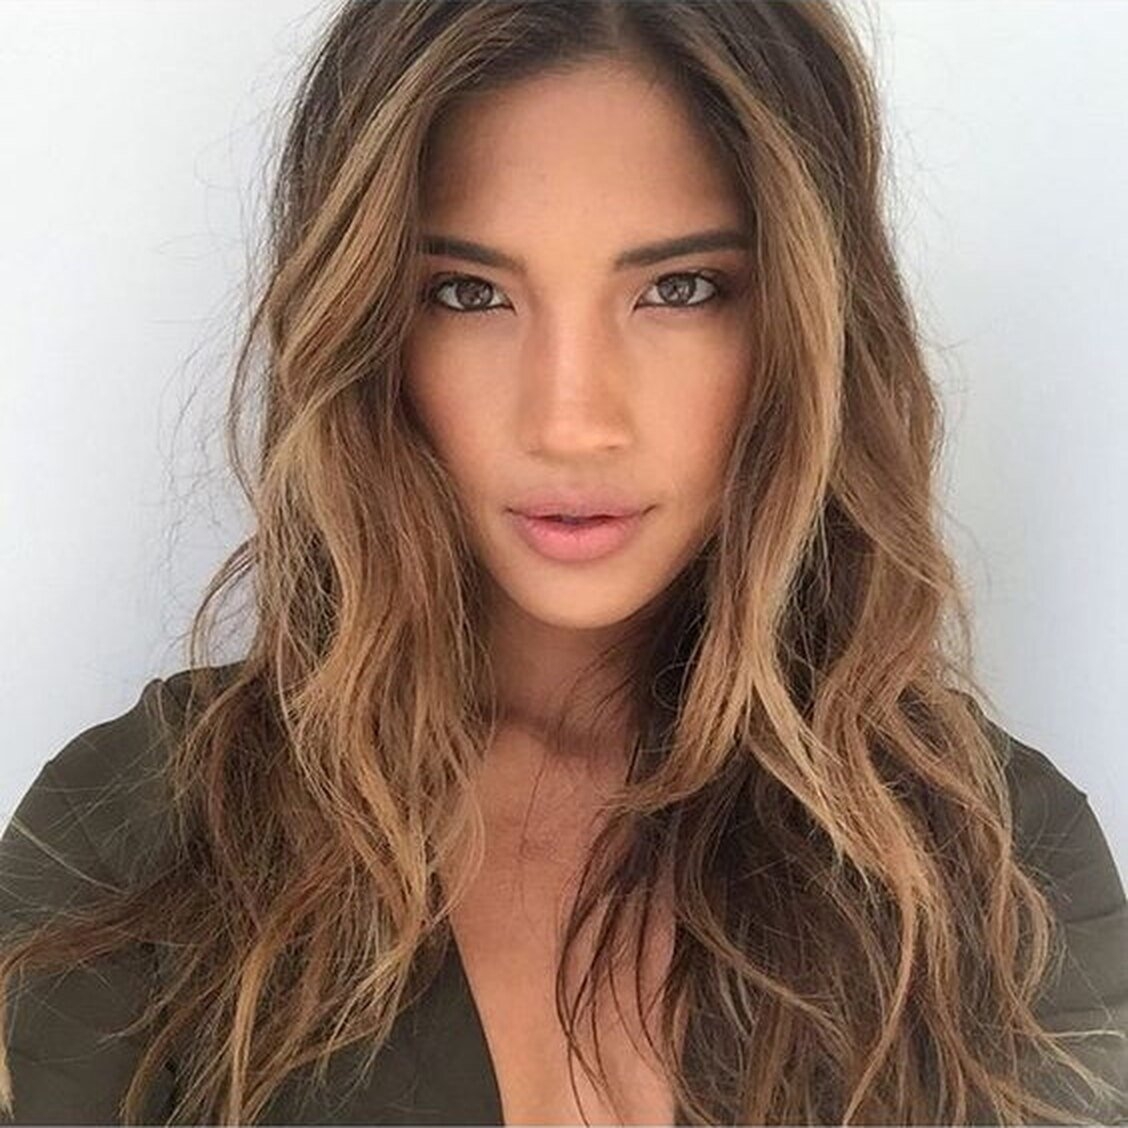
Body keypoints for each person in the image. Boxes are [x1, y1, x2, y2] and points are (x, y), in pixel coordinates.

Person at [2, 1, 1125, 1124]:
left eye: (679, 289)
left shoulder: (997, 867)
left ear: (805, 324)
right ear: (366, 328)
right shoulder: (137, 837)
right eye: (468, 293)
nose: (571, 421)